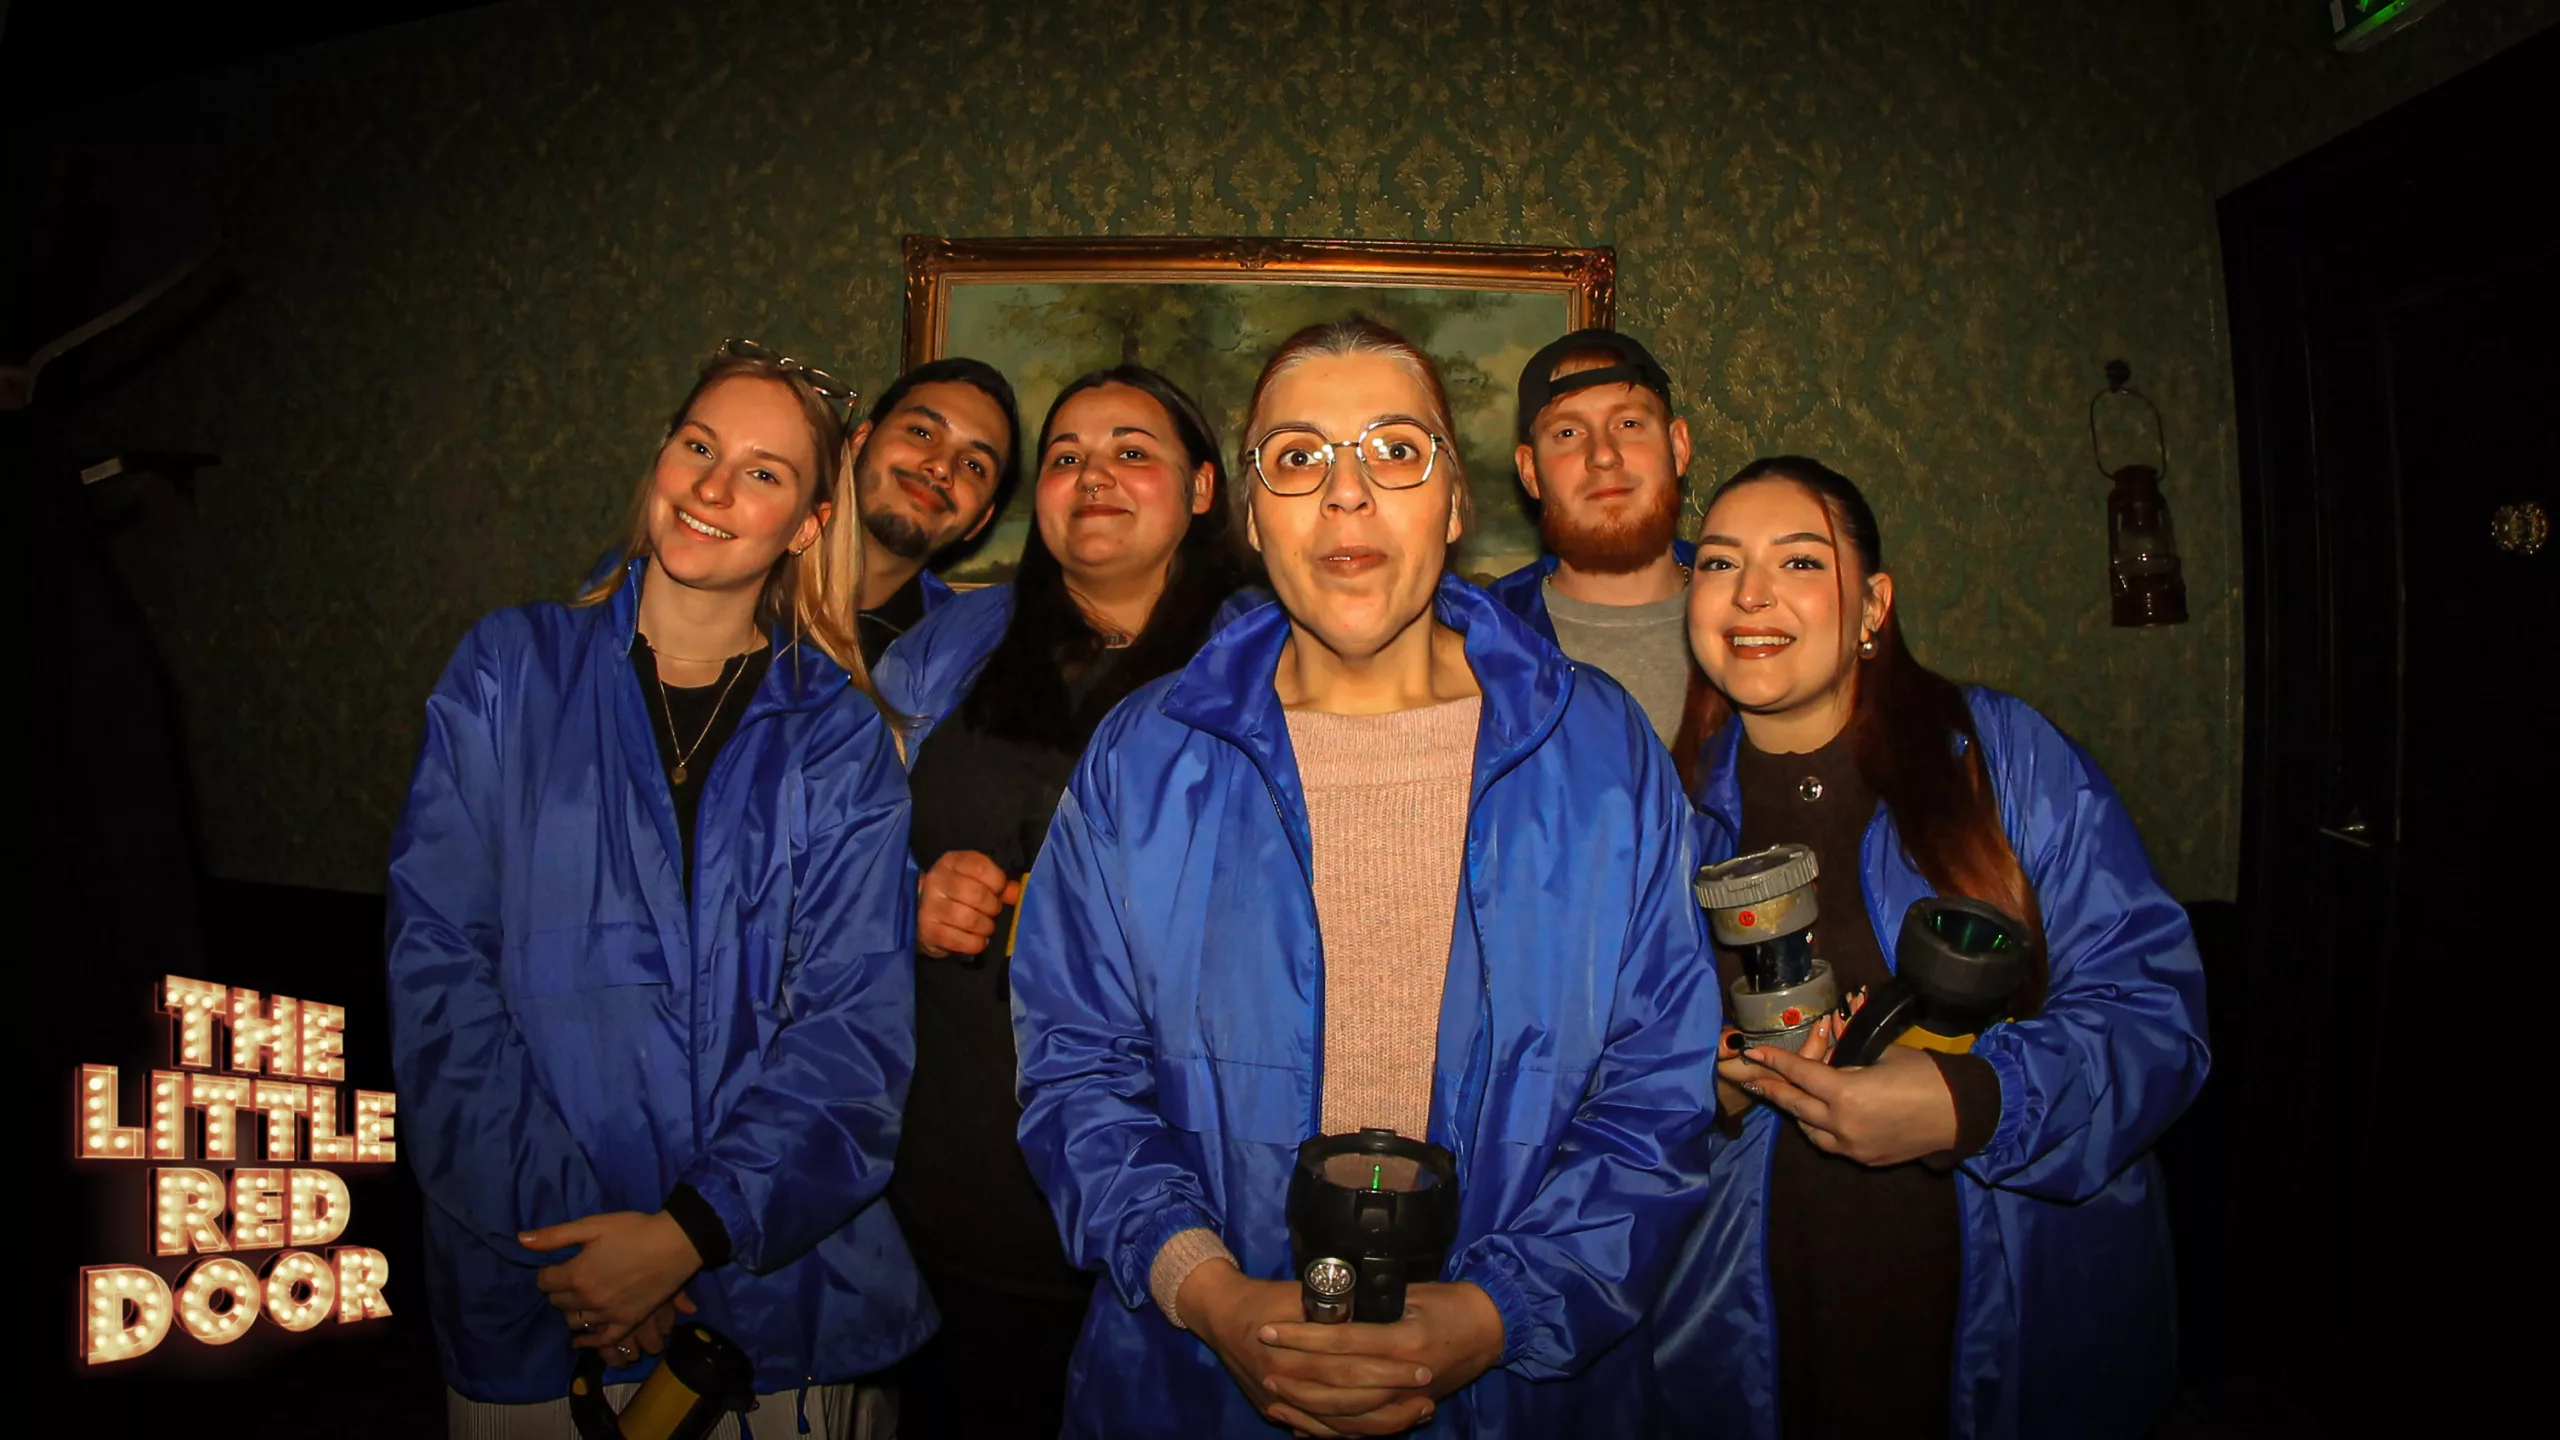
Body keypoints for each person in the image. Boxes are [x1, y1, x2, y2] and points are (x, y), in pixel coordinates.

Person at [1009, 318, 1723, 1438]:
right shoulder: (1145, 758)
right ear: (1252, 515)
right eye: (1299, 457)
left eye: (1395, 450)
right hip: (1192, 1386)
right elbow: (1075, 1071)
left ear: (1456, 502)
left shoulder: (1599, 751)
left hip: (1526, 1394)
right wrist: (1206, 1288)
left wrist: (1498, 1311)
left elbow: (1658, 1089)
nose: (1346, 495)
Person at [387, 341, 927, 1439]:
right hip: (535, 1291)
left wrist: (688, 1233)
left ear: (809, 524)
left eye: (764, 473)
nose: (714, 489)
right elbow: (439, 972)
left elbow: (853, 1035)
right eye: (698, 447)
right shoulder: (509, 670)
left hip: (774, 1305)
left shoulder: (839, 740)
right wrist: (583, 1246)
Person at [1651, 457, 2210, 1440]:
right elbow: (1612, 1091)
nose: (1749, 594)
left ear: (1873, 605)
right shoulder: (1658, 818)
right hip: (1747, 1342)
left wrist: (1974, 1101)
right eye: (1720, 562)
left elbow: (2154, 1017)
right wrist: (1713, 1093)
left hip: (2016, 1328)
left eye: (1798, 561)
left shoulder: (2001, 760)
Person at [869, 364, 1250, 1438]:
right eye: (1067, 456)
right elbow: (824, 858)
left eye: (1133, 451)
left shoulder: (1269, 660)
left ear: (1203, 489)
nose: (1094, 476)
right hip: (954, 1189)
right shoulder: (948, 646)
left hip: (1186, 1202)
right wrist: (905, 899)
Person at [1486, 329, 1697, 741]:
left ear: (1678, 447)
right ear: (1530, 472)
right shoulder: (1480, 644)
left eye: (1629, 423)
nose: (1602, 454)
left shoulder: (1759, 618)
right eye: (1567, 433)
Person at [832, 356, 1024, 665]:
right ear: (859, 442)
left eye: (974, 465)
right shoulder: (753, 571)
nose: (941, 467)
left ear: (980, 520)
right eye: (921, 433)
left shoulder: (958, 662)